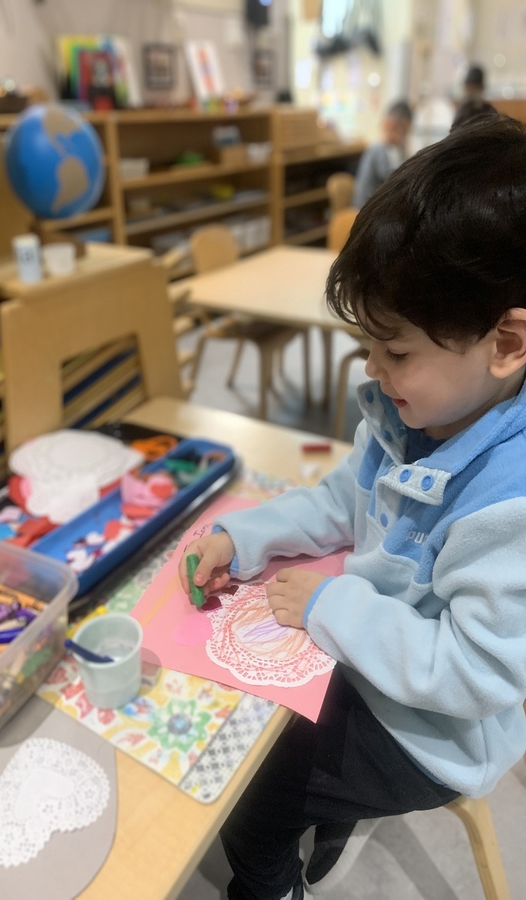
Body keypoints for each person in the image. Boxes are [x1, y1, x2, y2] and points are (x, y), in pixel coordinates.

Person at [178, 115, 526, 900]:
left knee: (249, 799)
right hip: (373, 663)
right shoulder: (425, 409)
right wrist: (245, 535)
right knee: (246, 720)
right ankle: (327, 818)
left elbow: (475, 675)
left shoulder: (510, 502)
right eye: (369, 342)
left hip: (432, 732)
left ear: (507, 343)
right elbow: (345, 497)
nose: (371, 367)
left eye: (396, 351)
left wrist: (334, 605)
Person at [352, 99, 413, 208]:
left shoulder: (391, 149)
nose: (404, 137)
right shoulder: (378, 149)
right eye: (403, 131)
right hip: (365, 209)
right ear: (390, 125)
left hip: (375, 205)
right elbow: (391, 177)